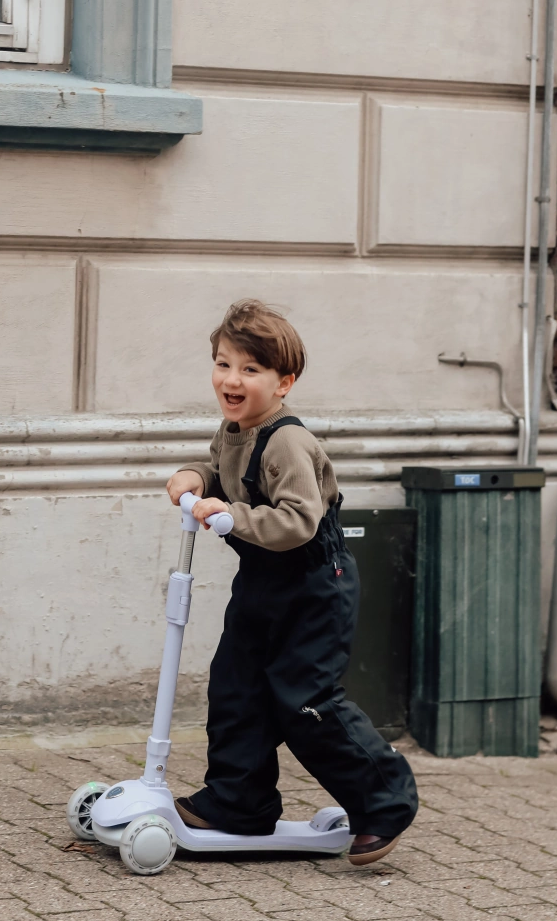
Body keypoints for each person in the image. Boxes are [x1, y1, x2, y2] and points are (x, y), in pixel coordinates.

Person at [165, 299, 418, 866]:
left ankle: (385, 801)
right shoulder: (234, 429)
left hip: (313, 585)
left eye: (250, 369)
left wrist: (232, 516)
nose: (232, 380)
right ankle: (239, 801)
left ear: (284, 383)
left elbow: (299, 521)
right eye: (224, 364)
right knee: (236, 688)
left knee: (304, 701)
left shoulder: (287, 442)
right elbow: (221, 471)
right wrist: (195, 476)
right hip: (261, 581)